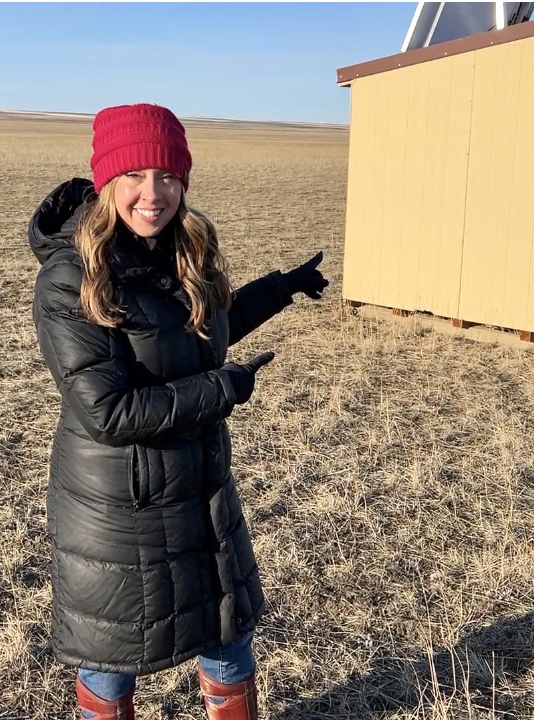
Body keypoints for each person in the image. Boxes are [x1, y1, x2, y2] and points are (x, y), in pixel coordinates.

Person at [28, 103, 329, 720]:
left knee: (227, 637)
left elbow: (196, 334)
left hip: (199, 492)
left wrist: (279, 289)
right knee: (111, 658)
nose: (152, 193)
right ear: (108, 182)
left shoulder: (182, 249)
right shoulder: (72, 277)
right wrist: (221, 390)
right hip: (119, 507)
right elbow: (106, 410)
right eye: (134, 175)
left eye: (166, 175)